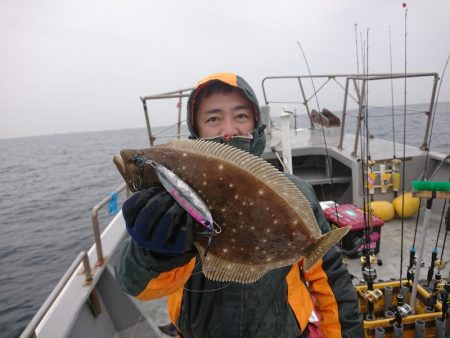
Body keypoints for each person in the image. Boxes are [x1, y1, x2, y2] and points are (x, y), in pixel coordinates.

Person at [115, 72, 364, 337]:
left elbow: (331, 278)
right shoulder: (165, 200)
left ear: (256, 125)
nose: (228, 130)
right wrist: (154, 253)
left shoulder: (295, 191)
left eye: (241, 116)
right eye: (213, 119)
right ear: (196, 128)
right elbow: (137, 286)